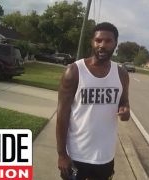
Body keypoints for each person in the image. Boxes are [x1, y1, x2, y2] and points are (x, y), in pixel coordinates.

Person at [56, 22, 130, 180]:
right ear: (92, 42)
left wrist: (125, 111)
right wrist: (62, 154)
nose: (102, 45)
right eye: (98, 40)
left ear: (115, 43)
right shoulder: (74, 71)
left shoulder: (122, 74)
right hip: (76, 154)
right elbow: (62, 114)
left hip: (105, 156)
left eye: (108, 41)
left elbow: (124, 102)